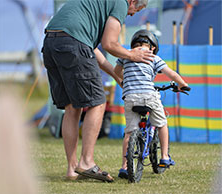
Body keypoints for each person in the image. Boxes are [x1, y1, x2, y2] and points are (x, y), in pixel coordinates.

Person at [42, 0, 153, 182]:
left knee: (72, 107)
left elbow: (93, 51)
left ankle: (72, 170)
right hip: (73, 43)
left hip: (51, 42)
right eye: (136, 9)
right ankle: (86, 162)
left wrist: (117, 77)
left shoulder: (95, 6)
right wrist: (132, 55)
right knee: (98, 102)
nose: (132, 14)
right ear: (132, 0)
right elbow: (109, 43)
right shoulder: (121, 3)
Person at [114, 29, 189, 179]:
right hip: (149, 95)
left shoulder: (126, 55)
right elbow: (171, 74)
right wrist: (183, 84)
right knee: (162, 124)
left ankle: (124, 167)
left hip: (129, 96)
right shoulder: (153, 57)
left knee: (129, 132)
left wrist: (127, 81)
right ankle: (165, 156)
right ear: (153, 47)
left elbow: (116, 71)